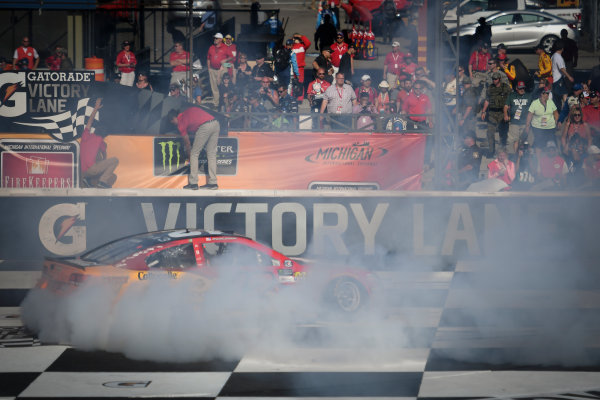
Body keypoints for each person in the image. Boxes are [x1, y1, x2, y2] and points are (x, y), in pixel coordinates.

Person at [168, 107, 220, 190]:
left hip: (205, 126)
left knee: (194, 154)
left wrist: (189, 156)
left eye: (172, 122)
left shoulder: (180, 122)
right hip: (215, 123)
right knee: (211, 154)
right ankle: (213, 183)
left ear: (174, 118)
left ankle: (193, 183)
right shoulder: (188, 111)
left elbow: (187, 143)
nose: (174, 124)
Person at [80, 98, 119, 188]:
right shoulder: (100, 140)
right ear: (104, 135)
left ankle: (86, 180)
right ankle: (102, 182)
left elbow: (90, 121)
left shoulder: (85, 136)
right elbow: (104, 156)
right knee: (115, 160)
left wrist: (96, 108)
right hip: (93, 169)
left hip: (84, 172)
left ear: (95, 130)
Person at [481, 71, 511, 156]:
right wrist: (483, 111)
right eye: (493, 79)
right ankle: (491, 151)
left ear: (499, 79)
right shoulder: (490, 88)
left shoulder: (506, 88)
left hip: (502, 113)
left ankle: (502, 153)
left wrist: (509, 113)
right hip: (492, 113)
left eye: (496, 79)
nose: (494, 80)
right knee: (490, 133)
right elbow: (487, 100)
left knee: (503, 134)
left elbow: (510, 100)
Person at [525, 88, 559, 159]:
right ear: (542, 94)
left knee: (551, 144)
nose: (547, 95)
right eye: (546, 93)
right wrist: (527, 125)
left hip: (550, 127)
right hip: (538, 128)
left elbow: (555, 113)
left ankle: (550, 159)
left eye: (548, 93)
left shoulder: (550, 102)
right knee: (539, 144)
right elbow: (530, 114)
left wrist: (556, 122)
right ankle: (539, 160)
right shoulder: (535, 103)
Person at [561, 106, 591, 177]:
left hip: (582, 147)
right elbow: (563, 137)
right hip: (571, 147)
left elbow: (589, 138)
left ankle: (580, 172)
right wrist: (565, 147)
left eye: (579, 115)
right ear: (573, 116)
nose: (577, 117)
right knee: (573, 150)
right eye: (575, 115)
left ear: (581, 115)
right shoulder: (569, 124)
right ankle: (575, 171)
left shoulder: (585, 125)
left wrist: (588, 148)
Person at [504, 81, 533, 153]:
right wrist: (505, 114)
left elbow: (533, 108)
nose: (522, 89)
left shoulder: (528, 96)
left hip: (525, 122)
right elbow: (506, 106)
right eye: (520, 88)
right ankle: (516, 155)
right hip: (514, 122)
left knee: (524, 140)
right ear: (516, 88)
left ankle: (523, 155)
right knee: (515, 140)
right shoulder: (512, 95)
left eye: (523, 88)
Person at [207, 33, 233, 107]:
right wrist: (209, 69)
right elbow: (208, 58)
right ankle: (216, 104)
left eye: (216, 38)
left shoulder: (225, 47)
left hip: (223, 68)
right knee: (214, 87)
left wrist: (225, 60)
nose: (215, 39)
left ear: (221, 39)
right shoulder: (211, 47)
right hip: (212, 69)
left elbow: (232, 57)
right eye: (214, 38)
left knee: (224, 85)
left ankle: (225, 103)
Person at [551, 41, 574, 109]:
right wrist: (569, 77)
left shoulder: (554, 55)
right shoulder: (558, 57)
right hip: (558, 79)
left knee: (563, 94)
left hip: (556, 79)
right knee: (563, 94)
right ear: (562, 48)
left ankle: (563, 107)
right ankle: (565, 109)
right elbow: (562, 69)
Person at [291, 33, 311, 101]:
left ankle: (299, 98)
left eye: (297, 39)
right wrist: (293, 38)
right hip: (292, 68)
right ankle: (292, 97)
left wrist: (301, 36)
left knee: (300, 83)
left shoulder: (303, 46)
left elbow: (308, 43)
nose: (296, 40)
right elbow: (286, 45)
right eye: (295, 38)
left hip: (300, 68)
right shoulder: (291, 46)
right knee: (292, 83)